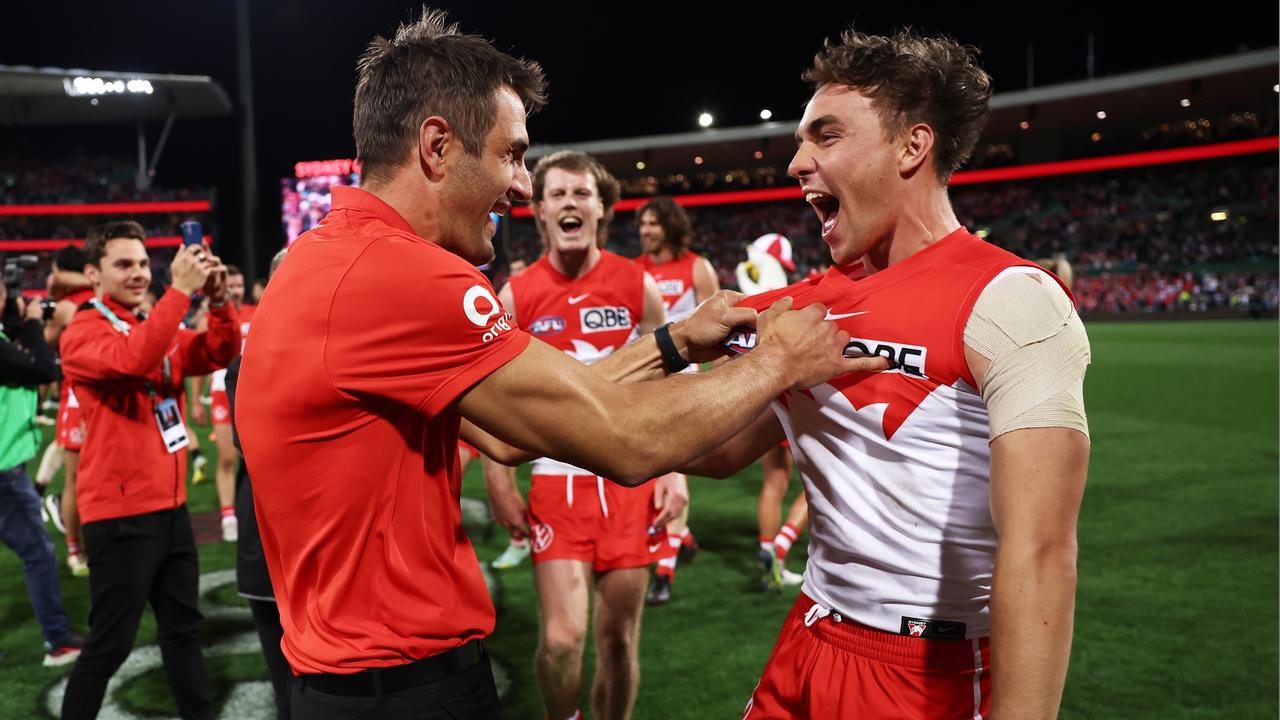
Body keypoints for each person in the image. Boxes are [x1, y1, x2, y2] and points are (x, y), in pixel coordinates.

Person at [235, 10, 876, 720]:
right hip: (406, 688)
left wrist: (675, 343)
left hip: (345, 682)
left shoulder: (326, 260)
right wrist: (780, 362)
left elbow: (517, 432)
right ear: (437, 146)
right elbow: (627, 443)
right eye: (511, 154)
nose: (520, 187)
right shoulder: (403, 276)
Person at [684, 29, 1092, 719]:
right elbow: (714, 447)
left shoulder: (1012, 300)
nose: (795, 163)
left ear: (912, 147)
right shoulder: (806, 306)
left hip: (926, 674)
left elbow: (1042, 550)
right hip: (808, 636)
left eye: (826, 136)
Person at [483, 150, 681, 720]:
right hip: (555, 486)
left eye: (582, 193)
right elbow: (493, 399)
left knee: (619, 642)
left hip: (628, 481)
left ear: (601, 209)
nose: (570, 202)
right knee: (564, 640)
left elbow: (666, 387)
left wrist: (672, 471)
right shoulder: (515, 297)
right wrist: (499, 480)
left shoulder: (637, 286)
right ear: (539, 210)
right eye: (557, 194)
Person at [59, 221, 239, 720]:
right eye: (124, 264)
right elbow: (133, 361)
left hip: (171, 508)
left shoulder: (151, 319)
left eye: (142, 263)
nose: (138, 273)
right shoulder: (82, 329)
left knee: (183, 632)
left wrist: (221, 303)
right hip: (119, 515)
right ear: (94, 274)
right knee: (109, 647)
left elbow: (218, 353)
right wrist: (179, 292)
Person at [633, 196, 718, 606]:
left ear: (669, 225)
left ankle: (664, 570)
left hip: (684, 384)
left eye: (652, 223)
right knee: (650, 470)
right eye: (642, 224)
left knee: (670, 469)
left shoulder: (697, 268)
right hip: (647, 384)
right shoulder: (634, 271)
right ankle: (680, 537)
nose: (645, 230)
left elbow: (720, 332)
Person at [0, 281, 85, 667]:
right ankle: (58, 640)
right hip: (4, 472)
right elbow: (43, 369)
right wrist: (32, 323)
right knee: (38, 553)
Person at [224, 248, 291, 720]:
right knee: (290, 692)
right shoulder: (245, 366)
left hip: (334, 548)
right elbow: (262, 448)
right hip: (271, 543)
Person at [37, 244, 97, 576]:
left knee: (76, 479)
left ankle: (76, 549)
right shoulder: (105, 294)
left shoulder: (62, 307)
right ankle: (80, 545)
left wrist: (50, 293)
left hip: (76, 397)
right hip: (99, 394)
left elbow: (42, 344)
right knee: (90, 476)